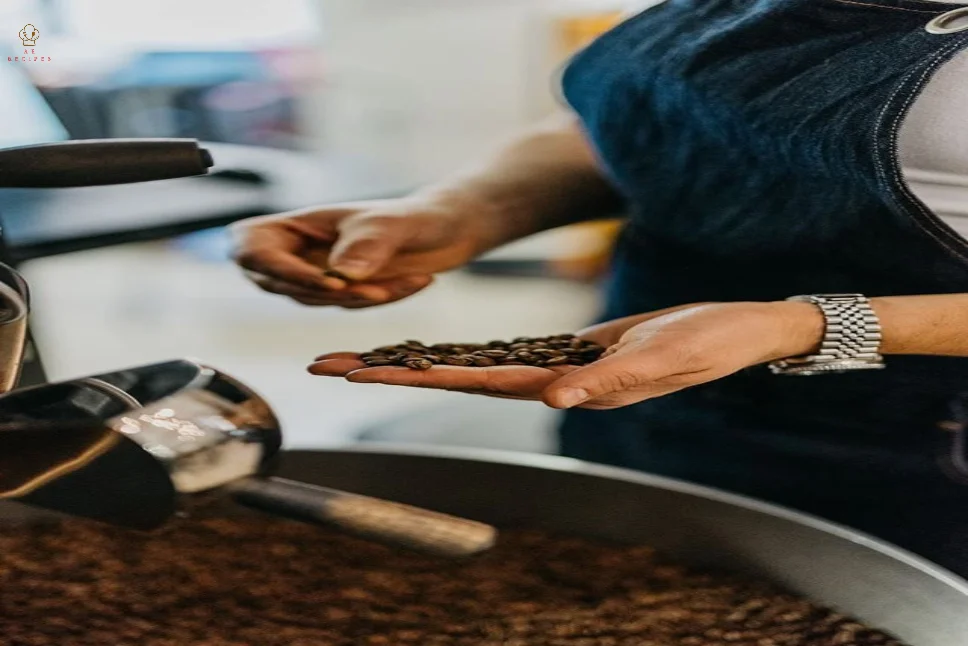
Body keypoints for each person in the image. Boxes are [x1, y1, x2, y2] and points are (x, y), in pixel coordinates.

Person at [231, 0, 968, 576]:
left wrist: (799, 327)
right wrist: (467, 209)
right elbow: (636, 124)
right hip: (638, 384)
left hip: (910, 462)